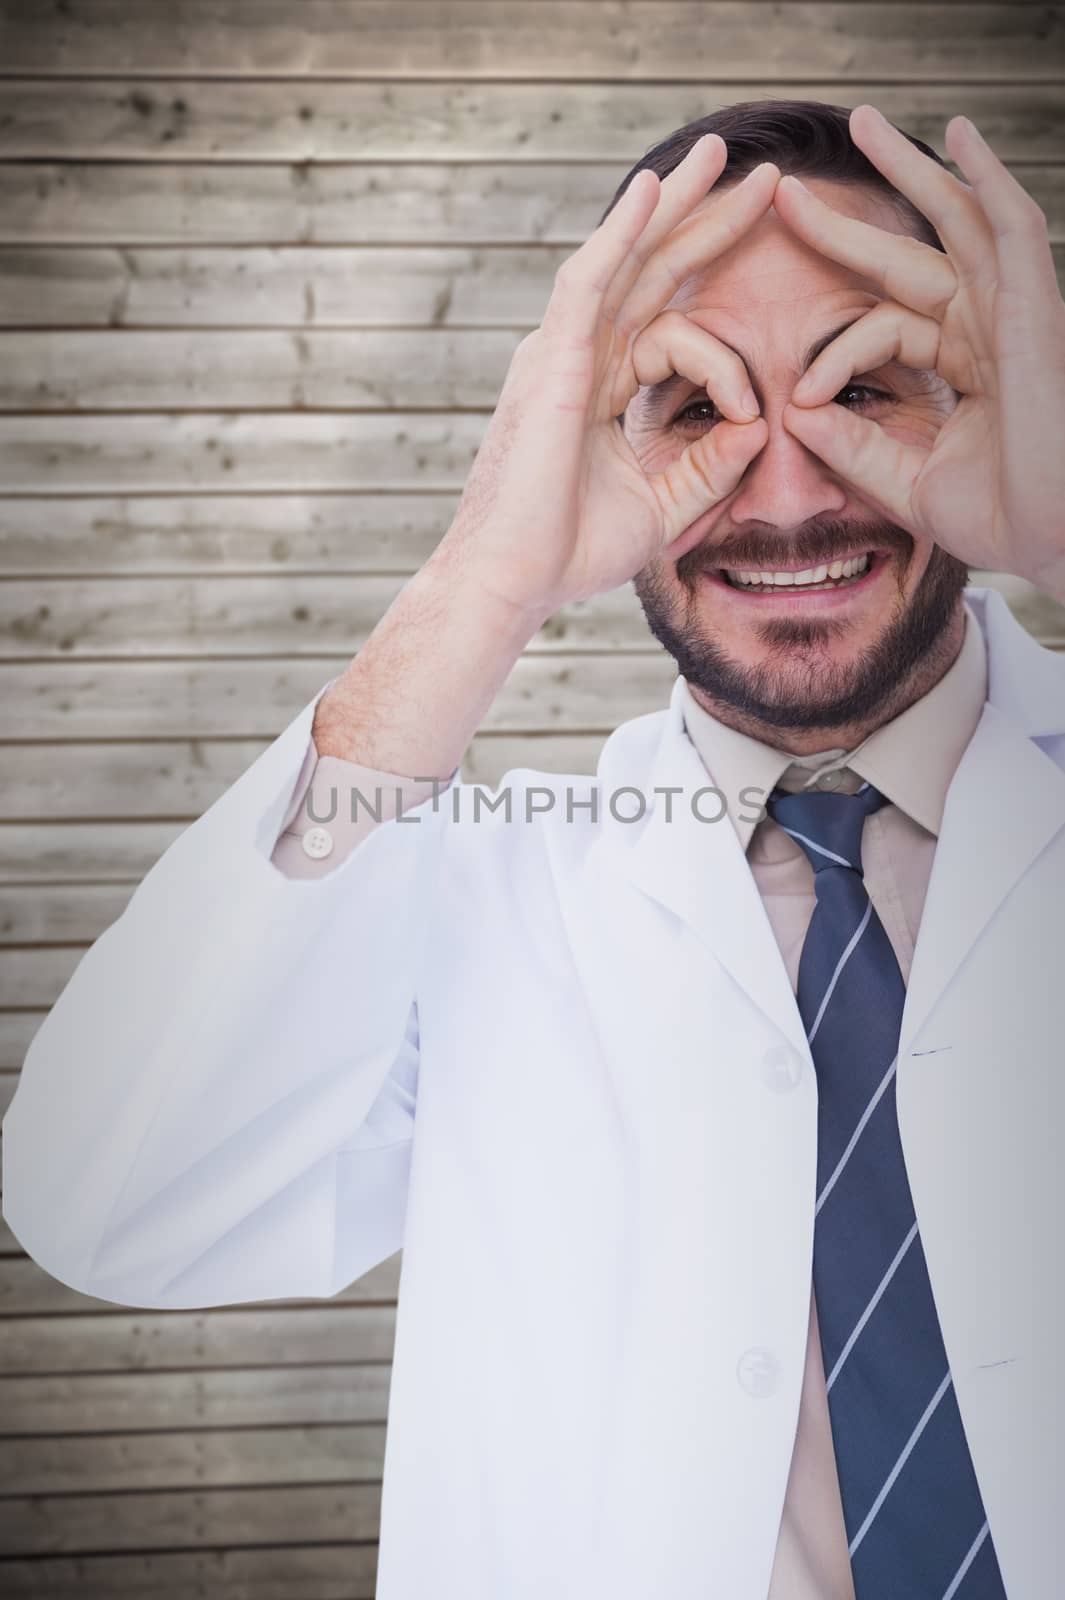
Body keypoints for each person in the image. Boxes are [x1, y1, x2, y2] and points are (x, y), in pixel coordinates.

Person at [4, 99, 1064, 1599]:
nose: (782, 493)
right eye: (693, 406)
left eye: (868, 386)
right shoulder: (477, 891)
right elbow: (114, 1206)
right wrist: (479, 582)